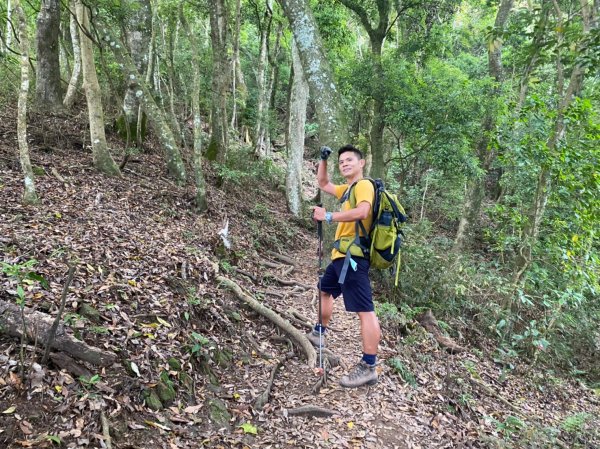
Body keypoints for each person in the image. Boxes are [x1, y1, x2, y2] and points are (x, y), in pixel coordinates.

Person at [310, 144, 381, 388]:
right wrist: (323, 159)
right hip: (342, 256)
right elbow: (323, 183)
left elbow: (363, 212)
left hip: (353, 257)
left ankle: (369, 366)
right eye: (341, 162)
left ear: (361, 163)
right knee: (324, 289)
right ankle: (319, 331)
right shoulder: (348, 189)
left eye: (349, 160)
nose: (345, 164)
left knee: (365, 310)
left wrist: (328, 216)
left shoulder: (363, 186)